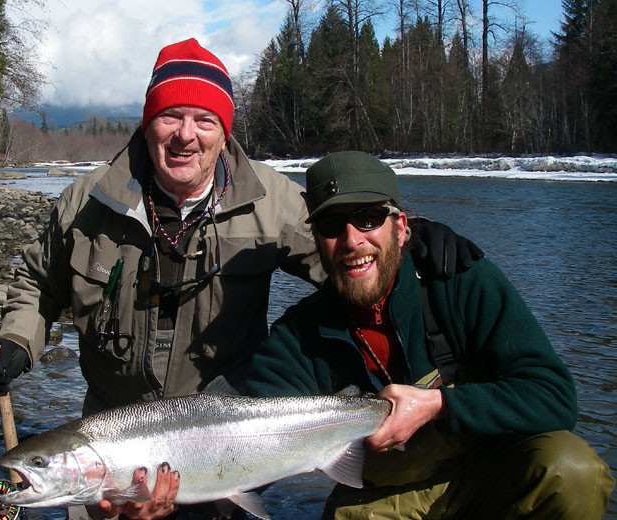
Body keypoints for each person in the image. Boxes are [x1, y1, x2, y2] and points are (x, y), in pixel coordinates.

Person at [0, 39, 481, 519]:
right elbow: (38, 284)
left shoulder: (272, 200)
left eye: (204, 119)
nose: (185, 135)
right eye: (171, 115)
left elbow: (347, 259)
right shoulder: (86, 203)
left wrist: (408, 239)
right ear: (148, 123)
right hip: (114, 422)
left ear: (225, 131)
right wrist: (17, 341)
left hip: (233, 425)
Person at [242, 151, 615, 519]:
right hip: (388, 494)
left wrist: (437, 406)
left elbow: (554, 399)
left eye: (368, 218)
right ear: (317, 240)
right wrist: (192, 486)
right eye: (331, 226)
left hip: (491, 473)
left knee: (571, 470)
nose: (352, 240)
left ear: (402, 227)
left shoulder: (459, 281)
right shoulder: (298, 336)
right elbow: (245, 440)